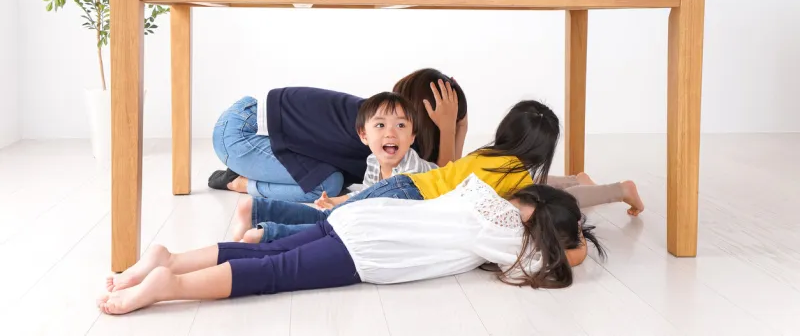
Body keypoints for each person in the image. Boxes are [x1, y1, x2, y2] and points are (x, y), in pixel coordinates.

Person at [99, 176, 606, 315]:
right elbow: (559, 262)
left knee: (268, 252)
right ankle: (168, 286)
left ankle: (171, 259)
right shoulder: (509, 236)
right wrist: (576, 241)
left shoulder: (479, 194)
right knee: (275, 274)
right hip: (369, 250)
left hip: (362, 217)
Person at [232, 99, 644, 243]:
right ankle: (266, 229)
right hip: (412, 196)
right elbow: (549, 198)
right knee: (337, 223)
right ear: (540, 150)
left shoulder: (489, 155)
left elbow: (540, 190)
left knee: (337, 216)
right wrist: (614, 191)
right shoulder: (514, 174)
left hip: (409, 186)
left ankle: (260, 215)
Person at [207, 68, 467, 203]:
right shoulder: (382, 129)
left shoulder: (387, 125)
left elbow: (446, 175)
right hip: (242, 133)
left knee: (335, 183)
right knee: (327, 185)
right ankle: (240, 182)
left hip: (252, 128)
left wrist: (459, 127)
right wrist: (448, 129)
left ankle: (253, 170)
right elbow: (441, 181)